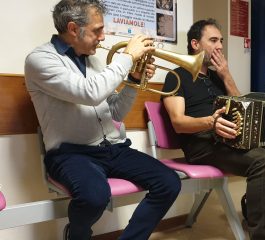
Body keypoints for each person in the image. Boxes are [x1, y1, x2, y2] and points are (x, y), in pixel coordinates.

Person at [24, 1, 181, 240]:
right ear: (74, 29)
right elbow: (89, 93)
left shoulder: (95, 61)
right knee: (95, 196)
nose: (103, 36)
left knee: (169, 182)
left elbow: (115, 112)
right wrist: (128, 57)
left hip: (112, 148)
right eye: (97, 29)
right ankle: (76, 234)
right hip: (70, 153)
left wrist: (134, 78)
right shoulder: (40, 60)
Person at [162, 18, 265, 240]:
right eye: (213, 40)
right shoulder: (176, 76)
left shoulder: (216, 76)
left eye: (221, 41)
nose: (220, 46)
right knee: (263, 160)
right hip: (202, 145)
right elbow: (178, 122)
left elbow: (245, 108)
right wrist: (210, 122)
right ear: (195, 44)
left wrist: (226, 75)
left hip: (231, 139)